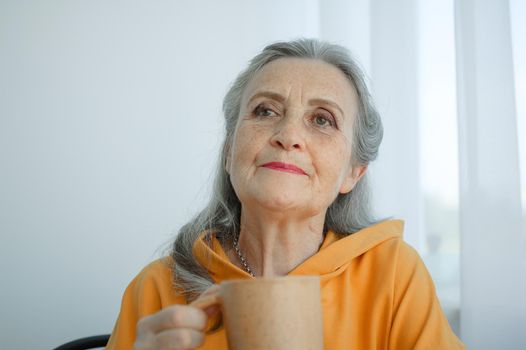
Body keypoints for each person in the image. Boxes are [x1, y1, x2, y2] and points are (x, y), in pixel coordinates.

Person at [106, 38, 465, 349]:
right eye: (265, 110)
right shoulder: (155, 287)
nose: (288, 135)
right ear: (229, 151)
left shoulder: (394, 275)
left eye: (322, 119)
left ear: (353, 173)